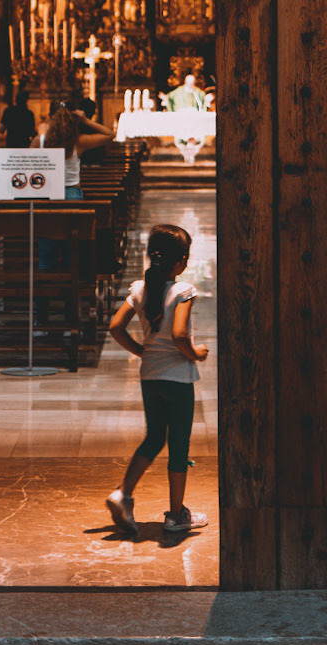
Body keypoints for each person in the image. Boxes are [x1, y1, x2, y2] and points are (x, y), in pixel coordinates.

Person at [105, 224, 208, 543]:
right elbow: (179, 334)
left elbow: (115, 327)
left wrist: (140, 350)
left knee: (153, 438)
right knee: (178, 445)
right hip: (177, 379)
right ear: (181, 261)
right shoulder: (183, 292)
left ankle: (123, 494)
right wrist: (196, 353)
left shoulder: (139, 289)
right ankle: (177, 516)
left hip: (150, 375)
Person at [39, 103, 114, 200]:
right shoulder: (78, 142)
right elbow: (110, 135)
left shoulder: (40, 141)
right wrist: (86, 120)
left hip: (48, 189)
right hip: (72, 191)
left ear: (51, 120)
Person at [0, 83, 36, 148]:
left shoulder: (8, 111)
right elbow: (32, 133)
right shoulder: (29, 114)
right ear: (26, 100)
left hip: (11, 145)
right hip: (24, 146)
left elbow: (1, 130)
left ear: (16, 99)